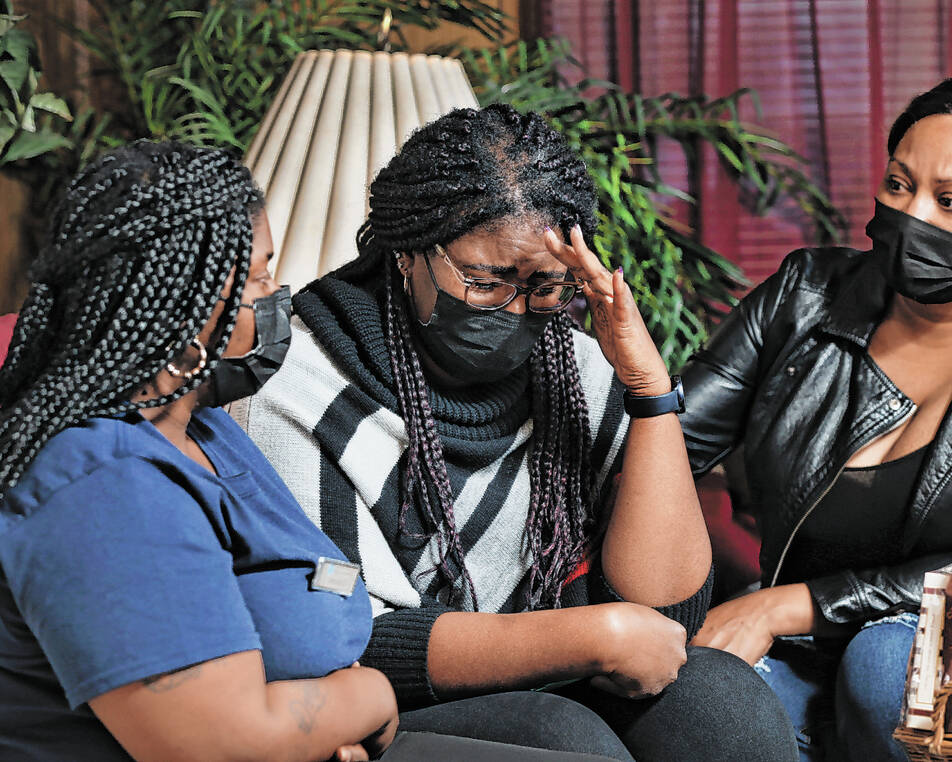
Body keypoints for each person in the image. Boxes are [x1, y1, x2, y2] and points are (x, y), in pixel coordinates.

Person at [0, 142, 577, 762]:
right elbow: (221, 743)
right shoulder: (100, 487)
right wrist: (368, 699)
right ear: (183, 314)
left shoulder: (203, 430)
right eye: (254, 278)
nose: (276, 298)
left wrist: (313, 723)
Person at [238, 103, 798, 761]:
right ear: (409, 253)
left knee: (722, 706)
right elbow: (348, 638)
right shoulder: (297, 385)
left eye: (544, 288)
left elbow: (664, 617)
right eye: (483, 282)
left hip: (551, 662)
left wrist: (649, 394)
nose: (515, 310)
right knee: (569, 743)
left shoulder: (575, 365)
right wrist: (591, 638)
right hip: (378, 699)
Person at [684, 71, 952, 761]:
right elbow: (664, 449)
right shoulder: (803, 295)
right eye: (899, 185)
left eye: (950, 201)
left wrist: (782, 605)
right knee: (700, 706)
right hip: (807, 651)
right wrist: (628, 378)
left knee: (881, 663)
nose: (913, 216)